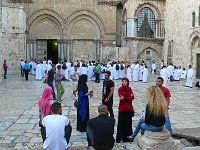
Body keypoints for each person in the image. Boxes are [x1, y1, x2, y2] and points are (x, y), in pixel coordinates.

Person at [116, 77, 134, 143]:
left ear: (127, 82)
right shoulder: (120, 89)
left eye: (125, 81)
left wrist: (125, 97)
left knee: (128, 124)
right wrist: (129, 96)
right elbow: (121, 98)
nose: (124, 82)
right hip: (122, 109)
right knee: (121, 124)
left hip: (129, 109)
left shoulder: (129, 89)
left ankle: (128, 137)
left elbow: (132, 97)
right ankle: (121, 138)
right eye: (123, 81)